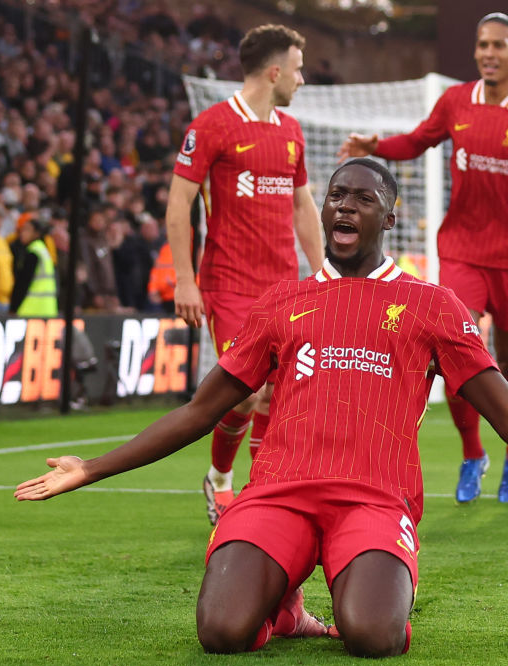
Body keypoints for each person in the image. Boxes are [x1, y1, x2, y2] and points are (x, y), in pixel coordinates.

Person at [16, 159, 508, 658]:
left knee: (374, 637)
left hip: (373, 502)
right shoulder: (283, 300)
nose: (343, 207)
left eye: (361, 198)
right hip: (277, 495)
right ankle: (282, 609)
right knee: (221, 634)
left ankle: (347, 585)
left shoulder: (433, 305)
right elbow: (200, 411)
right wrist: (92, 467)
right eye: (336, 195)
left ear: (390, 216)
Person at [338, 13, 508, 504]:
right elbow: (418, 141)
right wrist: (377, 147)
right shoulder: (456, 100)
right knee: (456, 355)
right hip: (461, 248)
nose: (488, 53)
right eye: (482, 44)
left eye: (498, 45)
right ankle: (471, 454)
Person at [165, 24, 324, 524]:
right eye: (297, 70)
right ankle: (219, 478)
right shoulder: (211, 125)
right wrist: (185, 280)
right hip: (230, 284)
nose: (301, 80)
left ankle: (262, 493)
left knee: (279, 393)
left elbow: (303, 207)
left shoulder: (291, 132)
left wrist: (323, 273)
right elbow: (179, 205)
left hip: (285, 287)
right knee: (248, 389)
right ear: (275, 71)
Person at [10, 214, 57, 317]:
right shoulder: (43, 250)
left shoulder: (33, 252)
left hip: (31, 309)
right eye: (22, 230)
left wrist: (13, 307)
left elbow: (23, 283)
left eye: (27, 230)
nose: (22, 233)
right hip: (48, 309)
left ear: (36, 234)